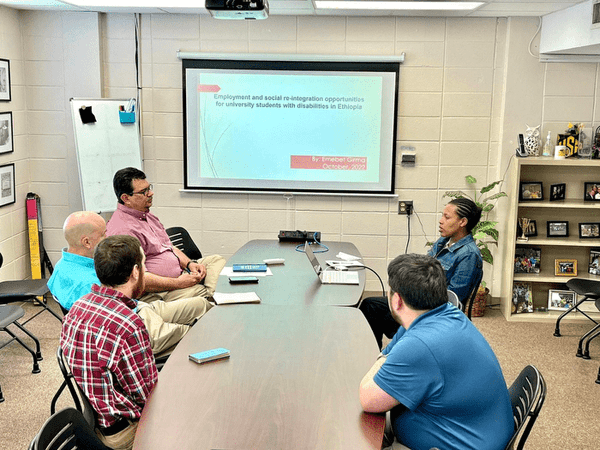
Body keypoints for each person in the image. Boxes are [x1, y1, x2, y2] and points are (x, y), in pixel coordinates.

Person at [359, 253, 513, 450]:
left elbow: (368, 400)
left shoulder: (420, 344)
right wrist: (388, 358)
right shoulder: (445, 313)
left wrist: (383, 361)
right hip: (476, 430)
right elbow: (392, 350)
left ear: (396, 300)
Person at [50, 211, 207, 355]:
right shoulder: (86, 285)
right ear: (87, 242)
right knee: (197, 334)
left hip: (136, 308)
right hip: (134, 322)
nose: (108, 238)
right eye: (104, 235)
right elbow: (118, 324)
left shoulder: (61, 266)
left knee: (202, 305)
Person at [60, 235, 158, 450]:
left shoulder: (78, 307)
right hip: (126, 432)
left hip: (98, 419)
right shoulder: (129, 324)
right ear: (135, 272)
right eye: (143, 265)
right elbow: (148, 397)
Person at [360, 198, 483, 349]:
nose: (441, 221)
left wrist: (413, 300)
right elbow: (422, 271)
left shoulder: (469, 255)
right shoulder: (444, 241)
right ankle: (373, 355)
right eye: (442, 216)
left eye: (447, 217)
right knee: (370, 305)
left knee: (375, 307)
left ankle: (390, 355)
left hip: (432, 313)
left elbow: (453, 299)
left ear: (462, 222)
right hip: (420, 302)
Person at [106, 167, 226, 308]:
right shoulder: (123, 230)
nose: (151, 193)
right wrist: (180, 283)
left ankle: (212, 295)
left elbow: (169, 247)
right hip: (160, 293)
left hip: (180, 275)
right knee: (203, 294)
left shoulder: (146, 215)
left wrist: (190, 264)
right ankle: (212, 297)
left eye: (149, 188)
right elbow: (138, 278)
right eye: (144, 192)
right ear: (126, 198)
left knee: (216, 260)